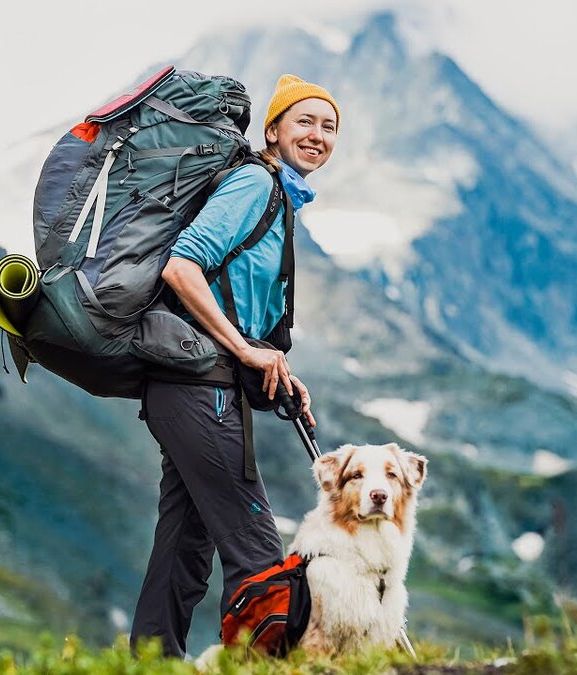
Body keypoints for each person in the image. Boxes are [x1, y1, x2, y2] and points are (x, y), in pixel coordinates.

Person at [130, 74, 340, 658]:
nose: (317, 135)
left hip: (192, 386)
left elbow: (239, 308)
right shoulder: (255, 184)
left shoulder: (279, 199)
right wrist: (243, 348)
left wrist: (271, 365)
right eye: (304, 121)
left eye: (329, 127)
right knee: (260, 559)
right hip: (198, 389)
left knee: (182, 555)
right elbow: (182, 267)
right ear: (272, 131)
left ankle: (151, 667)